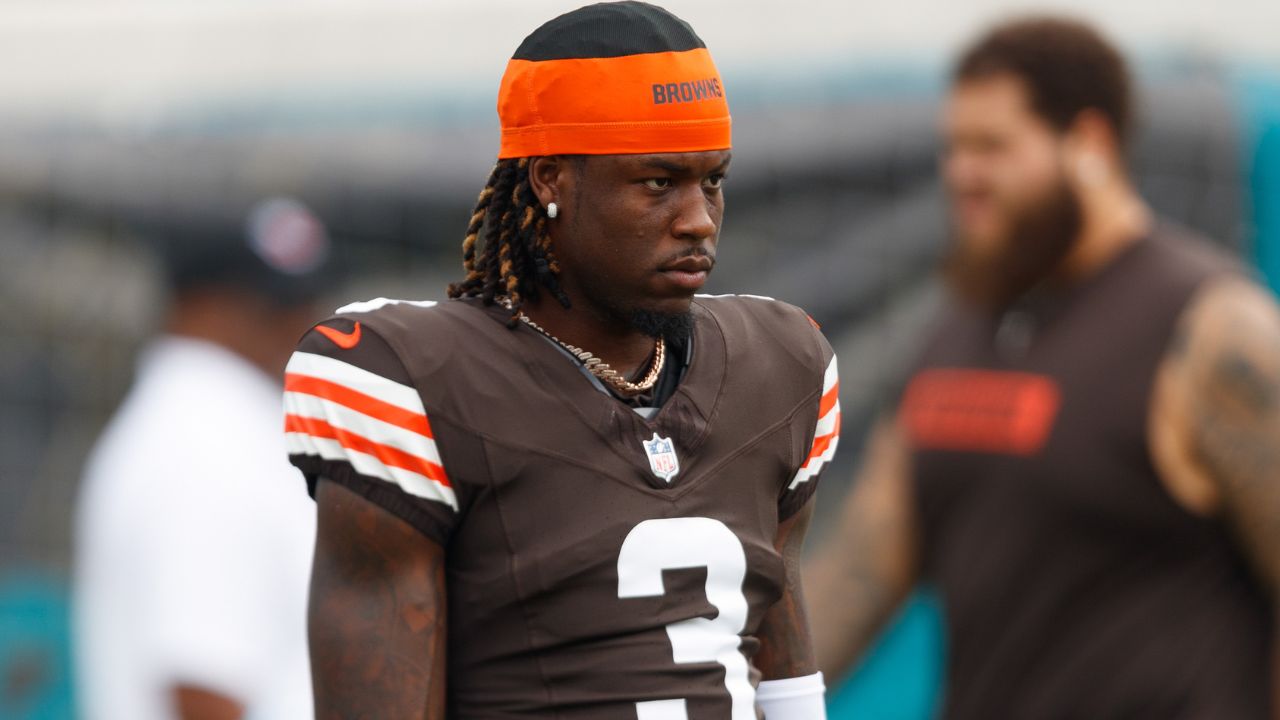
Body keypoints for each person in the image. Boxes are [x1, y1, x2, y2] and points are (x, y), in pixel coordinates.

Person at [281, 3, 839, 718]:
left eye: (713, 181)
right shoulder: (415, 381)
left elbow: (784, 667)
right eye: (658, 182)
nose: (698, 219)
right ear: (550, 179)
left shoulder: (780, 366)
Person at [806, 16, 1279, 719]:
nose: (961, 174)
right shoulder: (959, 330)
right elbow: (860, 572)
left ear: (1089, 143)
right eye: (954, 148)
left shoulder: (1210, 329)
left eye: (992, 147)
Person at [74, 198, 328, 719]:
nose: (303, 325)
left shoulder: (211, 427)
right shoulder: (204, 441)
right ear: (199, 306)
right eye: (273, 306)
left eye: (307, 302)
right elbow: (203, 684)